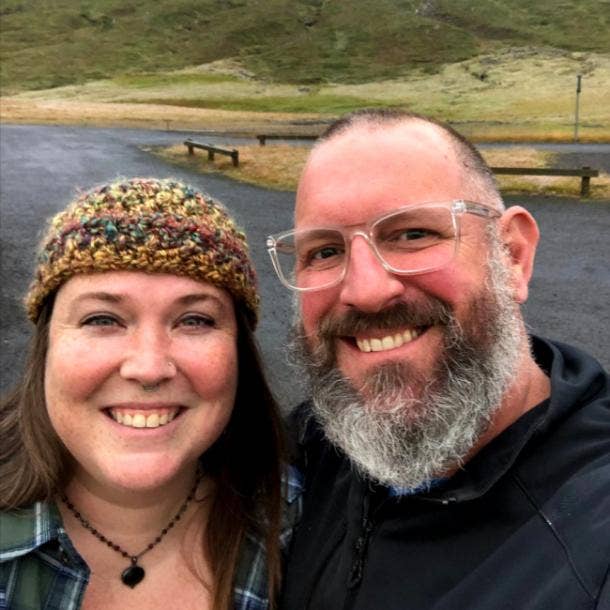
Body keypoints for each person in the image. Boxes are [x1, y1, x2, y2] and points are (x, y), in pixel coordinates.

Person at [265, 109, 610, 609]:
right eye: (323, 251)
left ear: (512, 255)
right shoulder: (315, 449)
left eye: (412, 235)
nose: (365, 291)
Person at [0, 177, 301, 610]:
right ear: (46, 344)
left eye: (194, 320)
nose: (149, 368)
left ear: (239, 349)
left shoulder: (301, 526)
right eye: (102, 319)